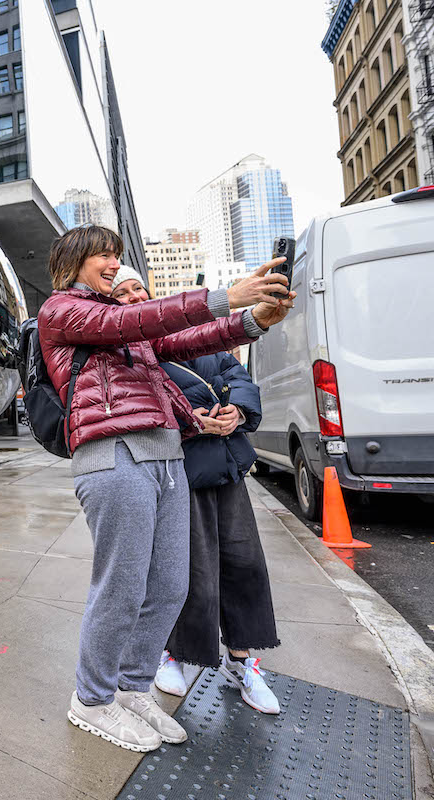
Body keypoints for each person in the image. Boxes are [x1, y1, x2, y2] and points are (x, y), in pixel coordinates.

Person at [38, 225, 293, 753]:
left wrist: (249, 321)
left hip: (166, 455)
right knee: (123, 586)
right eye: (104, 255)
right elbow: (139, 317)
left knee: (171, 585)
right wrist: (225, 297)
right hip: (113, 455)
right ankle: (91, 699)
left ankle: (131, 690)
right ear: (72, 262)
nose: (114, 263)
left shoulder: (121, 325)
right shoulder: (64, 310)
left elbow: (186, 339)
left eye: (117, 255)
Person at [109, 265, 281, 715]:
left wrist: (237, 413)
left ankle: (241, 659)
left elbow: (237, 374)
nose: (131, 296)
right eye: (121, 292)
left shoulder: (199, 332)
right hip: (180, 473)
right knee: (188, 573)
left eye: (137, 288)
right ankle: (175, 653)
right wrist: (192, 419)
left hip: (226, 469)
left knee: (245, 565)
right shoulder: (126, 348)